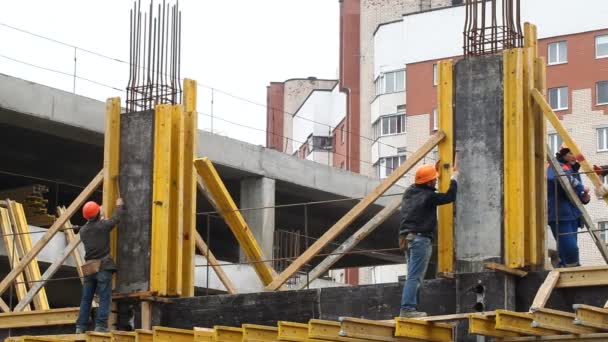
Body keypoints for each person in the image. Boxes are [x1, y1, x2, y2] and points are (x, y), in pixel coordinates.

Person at [399, 164, 457, 318]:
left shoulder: (410, 192)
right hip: (420, 239)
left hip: (407, 237)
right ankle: (408, 309)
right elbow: (448, 197)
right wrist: (454, 179)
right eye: (434, 179)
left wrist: (436, 168)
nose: (436, 182)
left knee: (412, 275)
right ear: (429, 182)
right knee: (415, 276)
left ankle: (411, 308)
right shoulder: (429, 196)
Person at [75, 198, 125, 333]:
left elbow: (95, 226)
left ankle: (80, 326)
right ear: (97, 214)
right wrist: (119, 206)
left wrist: (99, 214)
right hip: (103, 266)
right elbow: (115, 219)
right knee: (104, 297)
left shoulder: (83, 231)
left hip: (90, 268)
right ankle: (101, 326)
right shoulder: (102, 226)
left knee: (86, 298)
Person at [547, 145, 590, 267]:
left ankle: (567, 267)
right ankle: (572, 270)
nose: (574, 156)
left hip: (573, 216)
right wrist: (581, 187)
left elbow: (578, 193)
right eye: (571, 153)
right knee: (570, 249)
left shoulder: (572, 169)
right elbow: (554, 178)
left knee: (567, 250)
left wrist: (585, 197)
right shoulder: (554, 167)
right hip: (560, 215)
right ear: (564, 154)